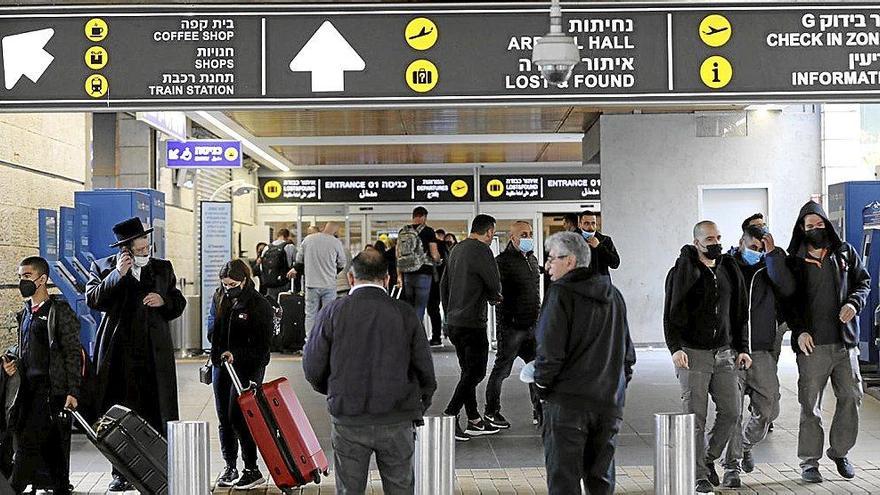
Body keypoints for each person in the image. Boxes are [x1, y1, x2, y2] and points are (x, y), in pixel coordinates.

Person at [304, 249, 436, 494]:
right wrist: (417, 405)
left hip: (348, 418)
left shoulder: (332, 312)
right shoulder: (405, 313)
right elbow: (426, 371)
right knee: (400, 487)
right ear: (386, 279)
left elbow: (313, 368)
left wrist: (334, 390)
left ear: (351, 278)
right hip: (397, 417)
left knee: (349, 490)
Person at [770, 201, 870, 483]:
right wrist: (799, 330)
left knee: (852, 396)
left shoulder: (845, 253)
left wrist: (854, 302)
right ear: (801, 229)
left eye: (819, 224)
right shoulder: (794, 261)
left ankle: (840, 451)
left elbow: (864, 283)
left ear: (827, 224)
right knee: (810, 406)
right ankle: (809, 462)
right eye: (809, 225)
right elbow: (786, 301)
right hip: (812, 347)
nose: (815, 229)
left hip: (844, 344)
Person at [85, 217, 186, 492]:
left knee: (157, 408)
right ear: (125, 250)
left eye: (147, 247)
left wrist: (163, 301)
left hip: (154, 352)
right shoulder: (104, 267)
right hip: (120, 353)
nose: (145, 252)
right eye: (139, 249)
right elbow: (93, 300)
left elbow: (178, 302)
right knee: (120, 410)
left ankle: (159, 467)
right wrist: (117, 275)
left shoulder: (162, 268)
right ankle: (120, 471)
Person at [535, 232, 635, 495]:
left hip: (567, 404)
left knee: (563, 482)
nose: (547, 266)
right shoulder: (614, 295)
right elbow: (628, 356)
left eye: (551, 259)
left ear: (569, 261)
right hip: (608, 403)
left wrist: (543, 389)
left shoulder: (559, 295)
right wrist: (616, 388)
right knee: (601, 481)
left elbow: (549, 352)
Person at [663, 220, 751, 493]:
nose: (716, 243)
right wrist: (674, 347)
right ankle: (699, 474)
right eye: (709, 239)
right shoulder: (682, 272)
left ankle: (708, 458)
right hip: (692, 353)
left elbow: (739, 312)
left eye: (718, 238)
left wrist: (743, 347)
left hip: (724, 352)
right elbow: (670, 312)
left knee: (732, 411)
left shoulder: (729, 269)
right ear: (697, 243)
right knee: (695, 416)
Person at [6, 257, 80, 495]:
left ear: (42, 279)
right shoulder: (26, 313)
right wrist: (13, 364)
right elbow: (26, 350)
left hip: (49, 392)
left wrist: (73, 391)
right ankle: (60, 488)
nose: (22, 282)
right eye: (20, 277)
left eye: (26, 276)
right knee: (53, 450)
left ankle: (13, 489)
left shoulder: (59, 312)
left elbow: (72, 353)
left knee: (27, 447)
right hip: (26, 390)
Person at [721, 225, 787, 488]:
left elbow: (787, 286)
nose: (756, 252)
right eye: (753, 247)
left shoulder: (770, 268)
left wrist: (772, 256)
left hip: (761, 348)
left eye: (761, 249)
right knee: (734, 411)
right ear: (741, 242)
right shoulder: (726, 266)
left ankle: (746, 444)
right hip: (732, 348)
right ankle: (731, 467)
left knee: (769, 407)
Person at [208, 260, 273, 489]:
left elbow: (263, 345)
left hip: (248, 367)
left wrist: (237, 354)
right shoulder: (219, 297)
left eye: (233, 284)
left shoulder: (258, 304)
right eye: (224, 284)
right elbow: (212, 330)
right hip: (222, 365)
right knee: (224, 418)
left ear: (244, 280)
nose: (228, 288)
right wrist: (219, 354)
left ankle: (251, 468)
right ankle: (230, 466)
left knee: (240, 415)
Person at [440, 215, 503, 441]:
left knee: (467, 372)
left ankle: (474, 418)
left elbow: (443, 284)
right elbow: (494, 283)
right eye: (492, 233)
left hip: (455, 321)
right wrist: (495, 296)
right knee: (476, 372)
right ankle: (450, 415)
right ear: (488, 232)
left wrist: (448, 313)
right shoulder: (482, 250)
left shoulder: (456, 250)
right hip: (473, 321)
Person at [484, 221, 542, 428]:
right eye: (524, 234)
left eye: (530, 233)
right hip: (511, 327)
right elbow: (496, 294)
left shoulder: (532, 260)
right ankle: (491, 411)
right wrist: (506, 321)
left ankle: (539, 410)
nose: (528, 237)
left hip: (532, 326)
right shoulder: (502, 262)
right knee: (501, 370)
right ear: (513, 238)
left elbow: (534, 291)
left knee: (537, 369)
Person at [296, 222, 347, 339]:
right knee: (328, 314)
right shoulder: (336, 242)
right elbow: (342, 262)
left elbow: (299, 260)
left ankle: (309, 340)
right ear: (334, 230)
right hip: (329, 284)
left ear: (323, 227)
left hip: (311, 283)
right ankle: (326, 339)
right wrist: (333, 272)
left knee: (310, 314)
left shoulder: (308, 240)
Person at [397, 207, 441, 324]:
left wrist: (399, 275)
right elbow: (434, 253)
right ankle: (416, 336)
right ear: (423, 217)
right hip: (424, 272)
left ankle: (410, 334)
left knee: (410, 306)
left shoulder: (403, 231)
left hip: (407, 273)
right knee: (420, 306)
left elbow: (398, 254)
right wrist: (438, 260)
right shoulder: (428, 231)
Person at [426, 229, 450, 347]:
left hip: (433, 282)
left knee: (433, 310)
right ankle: (444, 333)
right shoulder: (445, 247)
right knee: (443, 309)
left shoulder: (432, 246)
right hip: (444, 282)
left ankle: (436, 336)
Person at [578, 211, 621, 277]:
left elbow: (615, 263)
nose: (591, 227)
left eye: (593, 223)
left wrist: (599, 246)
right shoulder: (573, 241)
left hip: (601, 283)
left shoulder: (605, 240)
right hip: (580, 283)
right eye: (586, 223)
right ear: (580, 225)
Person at [260, 229, 297, 302]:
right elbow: (296, 263)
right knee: (285, 304)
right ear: (287, 236)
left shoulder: (267, 247)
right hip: (284, 282)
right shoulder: (289, 247)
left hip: (270, 282)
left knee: (272, 304)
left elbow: (261, 266)